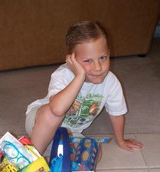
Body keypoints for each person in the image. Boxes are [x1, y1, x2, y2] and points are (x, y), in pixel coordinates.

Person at [25, 21, 143, 155]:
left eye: (103, 58)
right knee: (52, 114)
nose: (98, 67)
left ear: (109, 54)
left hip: (69, 134)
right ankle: (32, 159)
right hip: (39, 123)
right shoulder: (63, 75)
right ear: (71, 60)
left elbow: (117, 115)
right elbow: (57, 110)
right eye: (88, 61)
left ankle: (51, 159)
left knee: (92, 152)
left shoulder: (111, 82)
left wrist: (121, 141)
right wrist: (79, 76)